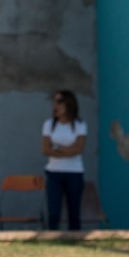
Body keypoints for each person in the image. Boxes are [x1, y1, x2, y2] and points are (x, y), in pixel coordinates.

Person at [42, 89, 88, 230]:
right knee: (53, 212)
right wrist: (68, 149)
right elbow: (45, 149)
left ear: (69, 104)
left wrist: (57, 148)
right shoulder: (49, 124)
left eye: (59, 102)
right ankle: (53, 239)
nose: (55, 106)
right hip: (54, 173)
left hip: (74, 173)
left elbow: (78, 149)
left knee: (74, 213)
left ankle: (75, 240)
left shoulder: (80, 125)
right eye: (54, 102)